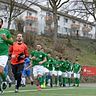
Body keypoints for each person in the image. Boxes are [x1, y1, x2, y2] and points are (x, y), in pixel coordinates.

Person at [0, 18, 13, 93]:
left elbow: (12, 43)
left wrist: (5, 39)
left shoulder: (6, 32)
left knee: (0, 70)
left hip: (3, 54)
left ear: (1, 23)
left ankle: (5, 80)